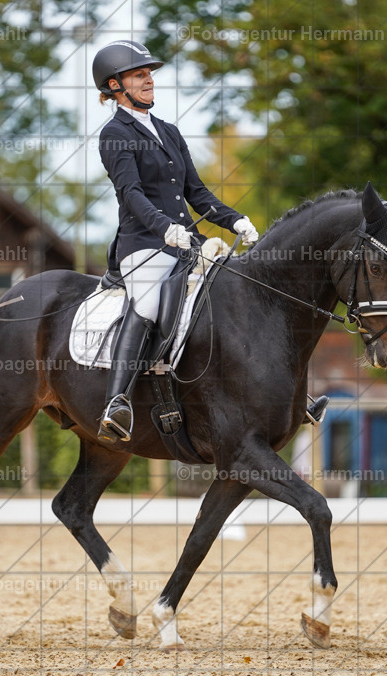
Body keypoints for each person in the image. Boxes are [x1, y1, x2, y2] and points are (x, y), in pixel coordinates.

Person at [91, 40, 259, 443]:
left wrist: (235, 220)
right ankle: (117, 401)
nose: (149, 80)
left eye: (149, 73)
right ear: (116, 85)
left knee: (237, 293)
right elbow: (130, 194)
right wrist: (164, 227)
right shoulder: (114, 134)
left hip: (187, 243)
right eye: (139, 75)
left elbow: (197, 194)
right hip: (143, 245)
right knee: (147, 302)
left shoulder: (168, 131)